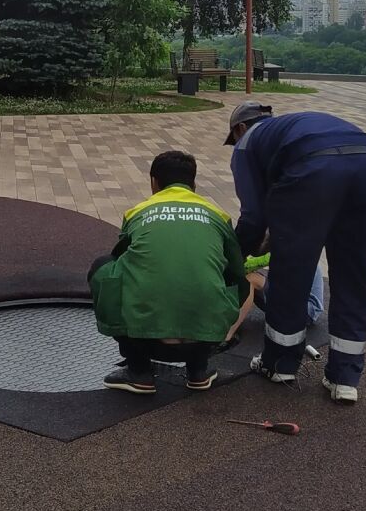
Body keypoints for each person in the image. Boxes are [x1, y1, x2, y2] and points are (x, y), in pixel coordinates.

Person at [225, 102, 366, 404]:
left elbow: (253, 219)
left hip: (313, 172)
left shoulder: (245, 145)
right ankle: (345, 378)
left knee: (290, 276)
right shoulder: (293, 127)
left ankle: (279, 365)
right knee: (352, 276)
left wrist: (233, 258)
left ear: (239, 129)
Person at [89, 151, 252, 395]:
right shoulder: (218, 215)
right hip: (204, 338)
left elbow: (122, 262)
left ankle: (139, 372)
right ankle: (199, 370)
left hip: (146, 337)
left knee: (104, 266)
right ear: (193, 184)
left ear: (153, 182)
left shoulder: (138, 212)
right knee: (231, 280)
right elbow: (238, 275)